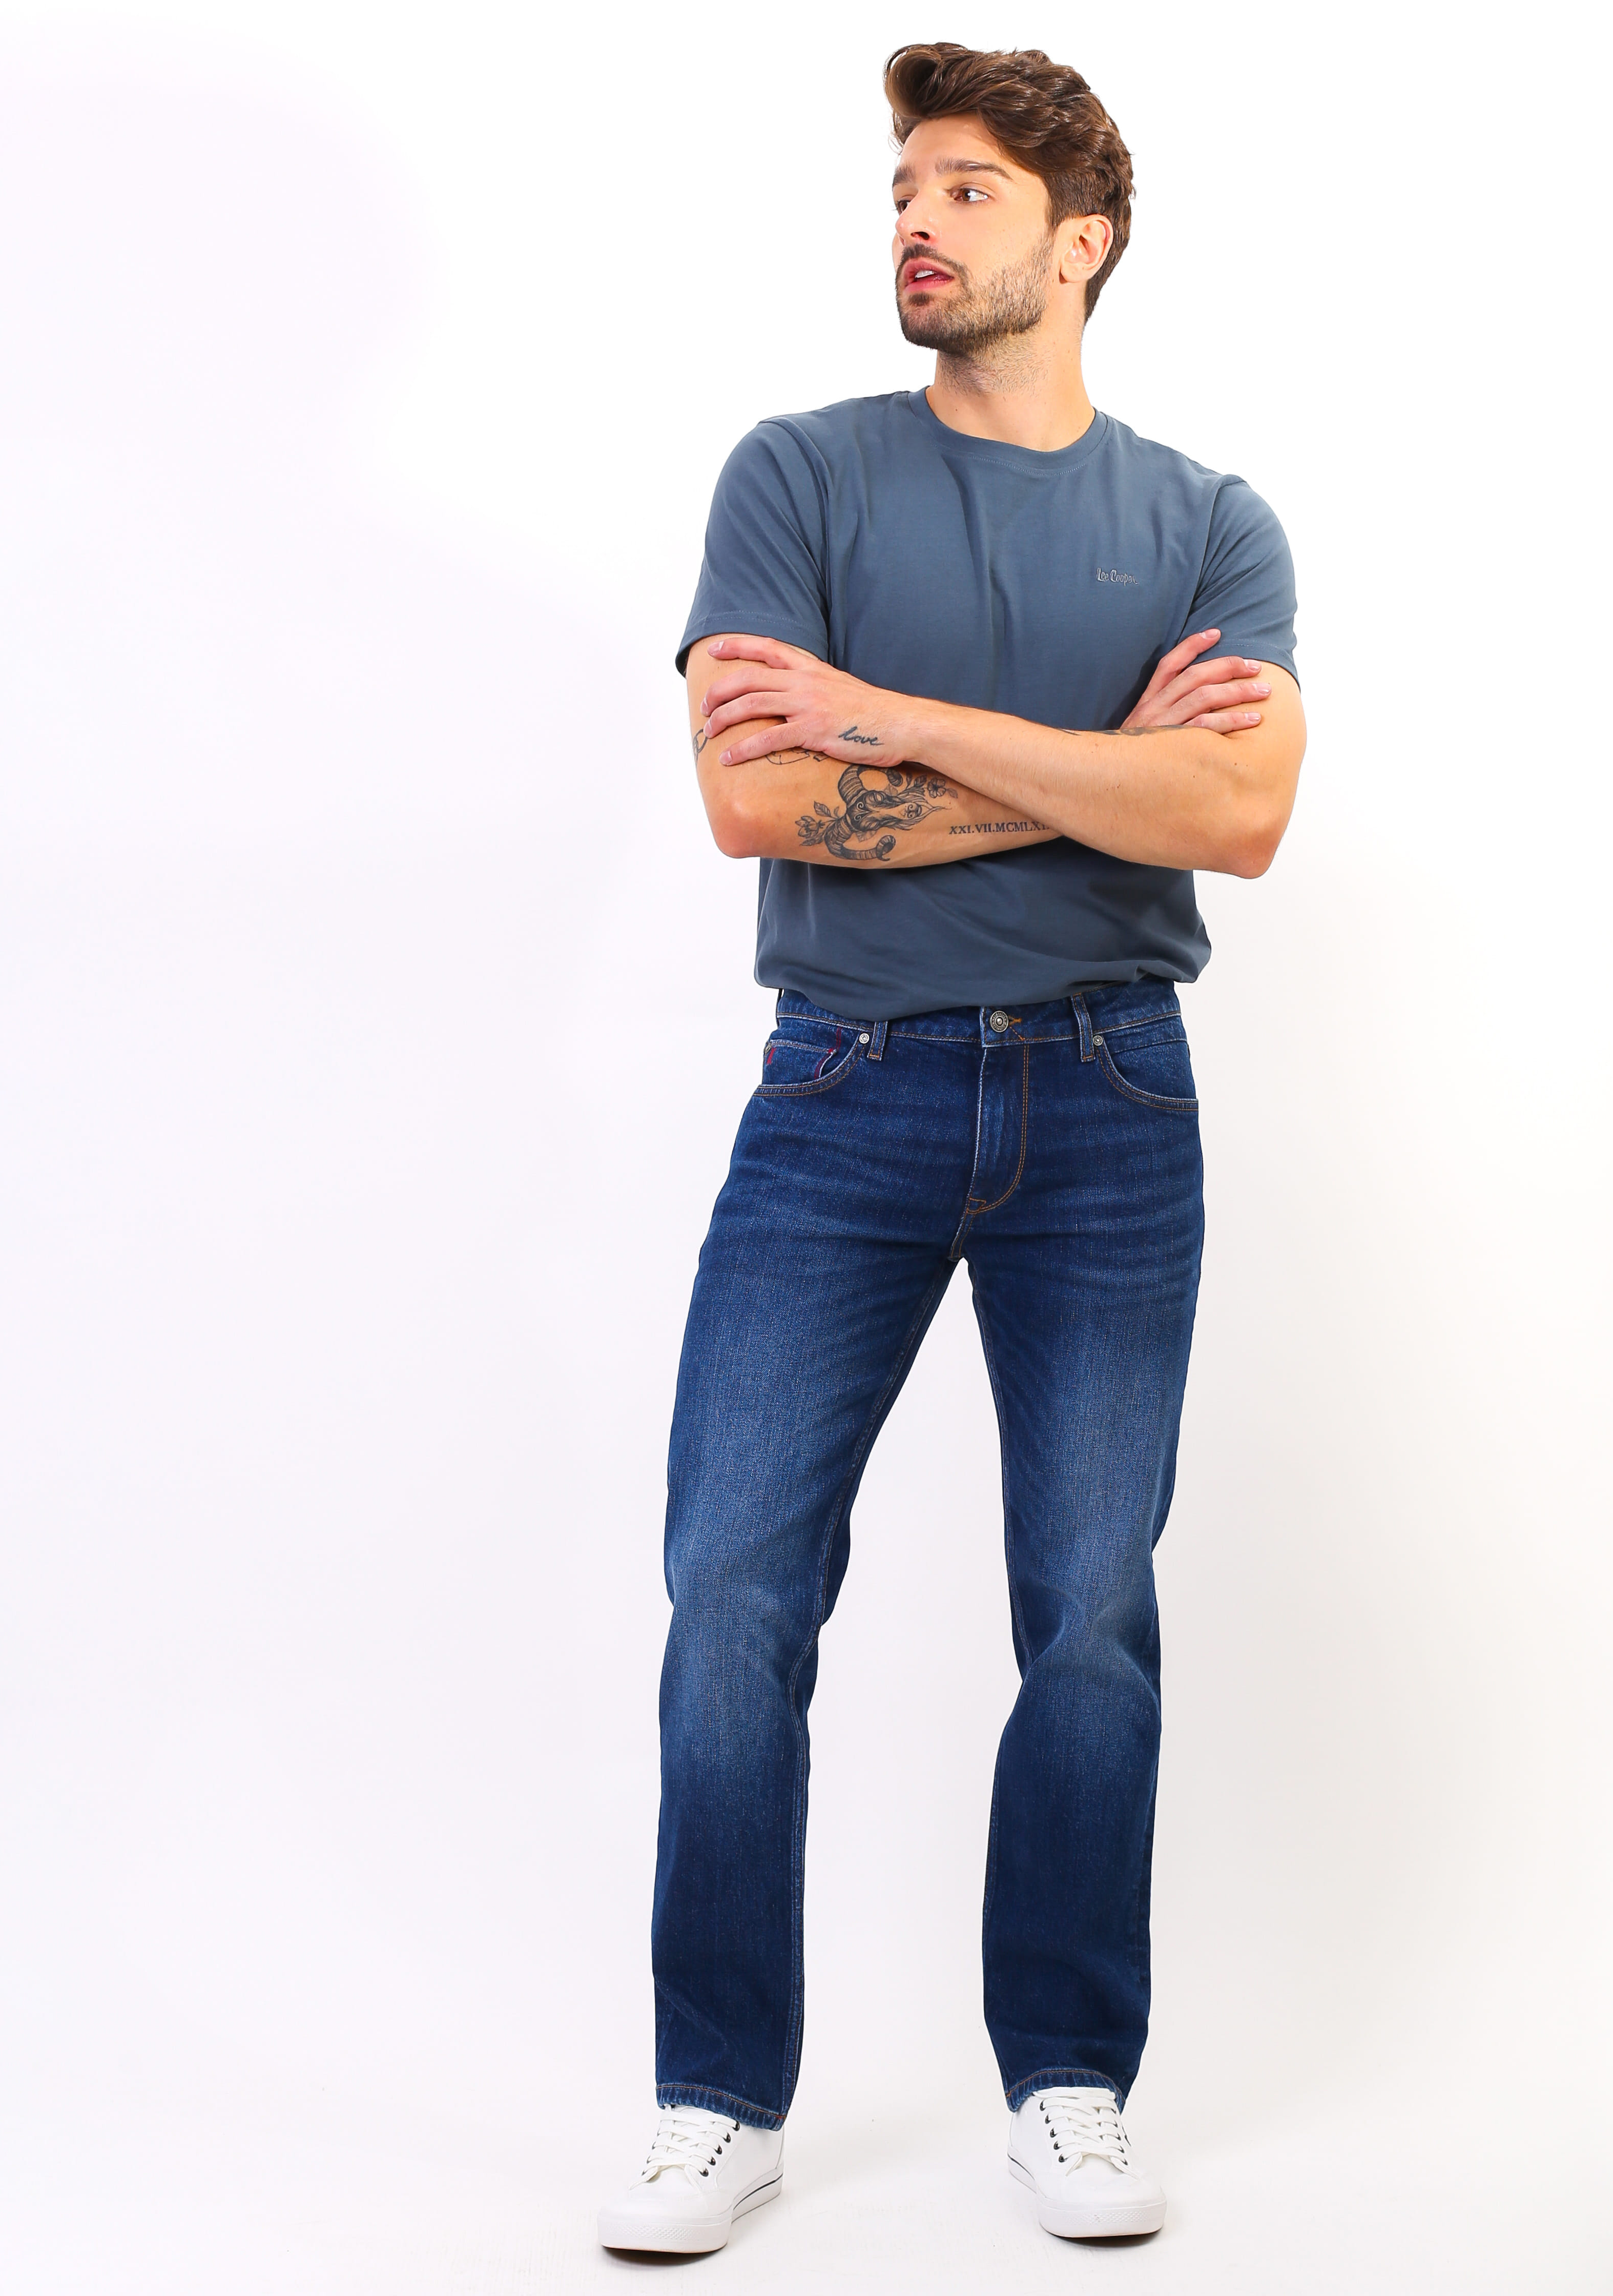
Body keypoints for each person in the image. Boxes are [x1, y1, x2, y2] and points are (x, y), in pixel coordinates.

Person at [598, 39, 1305, 2254]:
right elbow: (756, 801)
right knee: (734, 1590)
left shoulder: (1207, 523)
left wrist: (892, 723)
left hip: (1113, 1101)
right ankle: (715, 2099)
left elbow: (1238, 815)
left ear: (1080, 241)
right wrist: (1100, 773)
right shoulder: (796, 477)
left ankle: (1070, 2081)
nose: (916, 219)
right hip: (843, 1094)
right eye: (904, 186)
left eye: (968, 189)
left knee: (1088, 1610)